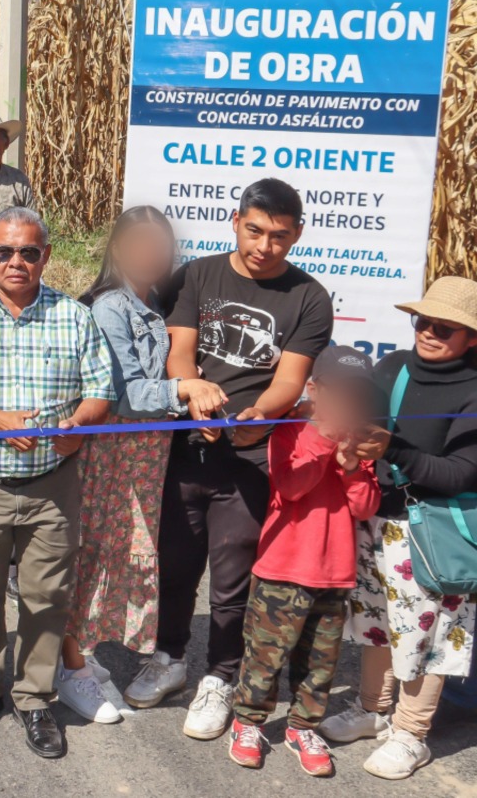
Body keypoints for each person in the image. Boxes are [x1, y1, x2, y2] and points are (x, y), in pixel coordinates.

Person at [139, 179, 333, 742]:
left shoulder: (309, 298)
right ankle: (169, 657)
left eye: (278, 236)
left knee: (231, 578)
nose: (264, 246)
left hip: (250, 457)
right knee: (174, 566)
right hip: (186, 446)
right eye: (254, 230)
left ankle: (219, 678)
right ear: (235, 221)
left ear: (296, 234)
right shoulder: (197, 275)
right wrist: (192, 387)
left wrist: (258, 417)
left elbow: (289, 381)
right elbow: (179, 350)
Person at [0, 207, 114, 759]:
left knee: (46, 597)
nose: (16, 262)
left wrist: (80, 428)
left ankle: (34, 698)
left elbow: (99, 388)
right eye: (4, 251)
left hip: (53, 484)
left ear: (45, 256)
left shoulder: (73, 318)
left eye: (28, 252)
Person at [53, 207, 228, 725]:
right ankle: (69, 667)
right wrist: (184, 388)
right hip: (112, 458)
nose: (153, 256)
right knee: (91, 560)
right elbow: (123, 394)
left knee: (113, 559)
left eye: (161, 248)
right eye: (141, 247)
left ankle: (79, 655)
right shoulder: (111, 307)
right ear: (119, 248)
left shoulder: (150, 301)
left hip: (141, 458)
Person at [321, 275, 477, 779]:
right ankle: (373, 711)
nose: (428, 332)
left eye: (444, 328)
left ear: (472, 337)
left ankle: (411, 733)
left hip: (437, 531)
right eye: (422, 321)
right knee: (376, 624)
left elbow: (461, 473)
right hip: (379, 520)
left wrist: (393, 449)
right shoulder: (390, 366)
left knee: (431, 637)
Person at [226, 347, 381, 776]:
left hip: (335, 574)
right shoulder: (291, 429)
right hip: (282, 570)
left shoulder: (361, 438)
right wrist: (323, 440)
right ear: (313, 389)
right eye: (337, 391)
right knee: (265, 655)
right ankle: (248, 721)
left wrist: (352, 465)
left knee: (320, 661)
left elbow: (366, 506)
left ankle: (302, 726)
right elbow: (292, 486)